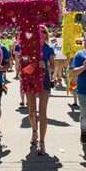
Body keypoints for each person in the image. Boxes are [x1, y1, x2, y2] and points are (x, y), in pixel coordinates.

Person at [26, 25, 55, 155]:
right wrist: (32, 66)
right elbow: (24, 67)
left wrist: (46, 66)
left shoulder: (48, 49)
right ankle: (34, 132)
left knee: (42, 112)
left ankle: (42, 141)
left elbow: (53, 68)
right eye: (39, 31)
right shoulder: (28, 47)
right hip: (30, 81)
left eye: (44, 32)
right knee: (32, 112)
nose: (41, 33)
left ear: (46, 34)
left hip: (44, 81)